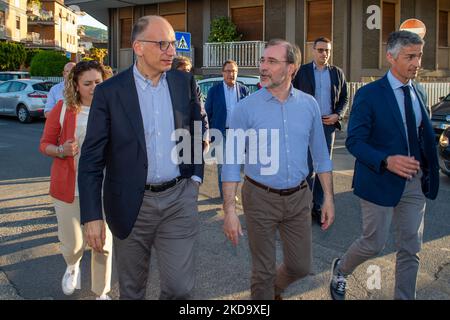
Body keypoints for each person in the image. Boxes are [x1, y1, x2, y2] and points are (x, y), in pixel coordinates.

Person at [77, 15, 204, 300]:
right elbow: (91, 159)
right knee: (132, 291)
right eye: (162, 44)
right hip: (131, 205)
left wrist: (195, 177)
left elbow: (196, 129)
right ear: (138, 47)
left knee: (180, 289)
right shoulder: (110, 92)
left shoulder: (183, 83)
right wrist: (92, 215)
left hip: (178, 200)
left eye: (172, 44)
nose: (171, 51)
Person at [329, 31, 439, 300]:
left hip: (414, 181)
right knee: (374, 243)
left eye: (419, 56)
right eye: (410, 56)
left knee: (410, 247)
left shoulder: (419, 91)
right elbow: (355, 141)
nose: (417, 62)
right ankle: (341, 269)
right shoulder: (369, 95)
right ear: (391, 57)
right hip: (379, 179)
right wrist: (386, 160)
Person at [222, 39, 335, 300]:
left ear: (291, 68)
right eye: (263, 60)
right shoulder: (245, 109)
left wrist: (328, 197)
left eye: (271, 61)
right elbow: (231, 163)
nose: (263, 67)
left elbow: (321, 156)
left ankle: (273, 290)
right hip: (259, 196)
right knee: (261, 271)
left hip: (299, 197)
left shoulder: (309, 105)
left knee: (301, 266)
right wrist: (229, 209)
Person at [39, 60, 112, 300]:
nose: (94, 87)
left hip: (104, 187)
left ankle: (101, 292)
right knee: (73, 244)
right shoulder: (63, 109)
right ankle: (72, 265)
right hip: (69, 187)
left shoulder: (112, 109)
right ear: (76, 85)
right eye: (87, 83)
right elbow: (44, 145)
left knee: (102, 243)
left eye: (98, 82)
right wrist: (62, 150)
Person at [293, 37, 348, 225]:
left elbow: (345, 98)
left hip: (327, 127)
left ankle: (317, 206)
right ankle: (304, 207)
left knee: (322, 167)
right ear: (313, 51)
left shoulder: (337, 73)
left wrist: (337, 115)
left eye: (328, 50)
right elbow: (293, 95)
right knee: (307, 168)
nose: (324, 54)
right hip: (306, 126)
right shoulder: (302, 72)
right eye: (321, 50)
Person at [205, 60, 250, 198]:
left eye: (234, 71)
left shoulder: (243, 90)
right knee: (222, 164)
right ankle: (225, 194)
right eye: (228, 71)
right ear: (223, 73)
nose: (231, 74)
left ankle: (232, 192)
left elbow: (247, 113)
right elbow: (208, 112)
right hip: (220, 132)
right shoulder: (214, 91)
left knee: (234, 165)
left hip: (237, 133)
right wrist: (208, 134)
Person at [171, 55, 210, 151]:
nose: (186, 74)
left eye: (188, 70)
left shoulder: (194, 86)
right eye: (183, 70)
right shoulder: (166, 85)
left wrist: (205, 137)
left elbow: (201, 112)